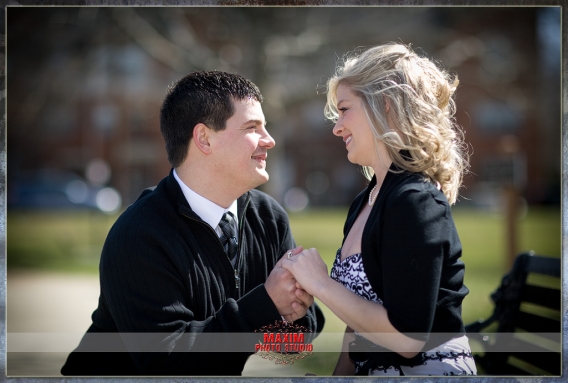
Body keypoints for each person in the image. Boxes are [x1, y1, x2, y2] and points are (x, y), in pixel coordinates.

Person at [61, 71, 324, 376]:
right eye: (253, 127)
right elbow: (167, 362)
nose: (270, 140)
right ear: (204, 139)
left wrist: (293, 309)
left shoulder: (269, 218)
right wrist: (266, 303)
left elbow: (297, 339)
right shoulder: (139, 235)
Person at [282, 43, 477, 376]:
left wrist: (321, 284)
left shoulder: (416, 202)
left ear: (384, 106)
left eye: (344, 110)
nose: (337, 127)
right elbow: (357, 327)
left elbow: (408, 339)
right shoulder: (367, 199)